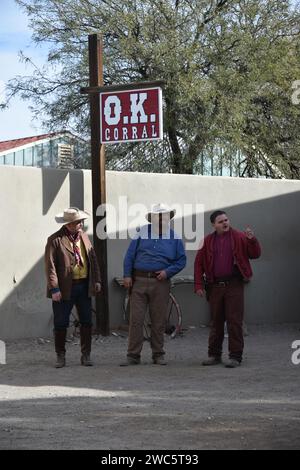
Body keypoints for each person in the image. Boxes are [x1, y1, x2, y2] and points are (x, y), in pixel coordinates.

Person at [121, 203, 186, 366]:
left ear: (168, 217)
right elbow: (129, 255)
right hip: (139, 281)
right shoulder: (141, 234)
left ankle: (158, 354)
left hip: (161, 282)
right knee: (136, 319)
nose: (161, 218)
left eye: (164, 215)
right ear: (152, 218)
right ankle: (133, 355)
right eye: (158, 216)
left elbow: (181, 260)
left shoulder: (175, 237)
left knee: (159, 320)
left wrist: (167, 272)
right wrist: (127, 275)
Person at [194, 210, 261, 368]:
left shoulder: (240, 236)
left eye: (226, 220)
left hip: (234, 285)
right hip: (215, 286)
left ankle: (235, 356)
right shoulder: (207, 241)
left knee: (234, 321)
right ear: (213, 225)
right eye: (220, 221)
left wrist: (252, 240)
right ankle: (214, 355)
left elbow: (255, 254)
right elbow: (198, 264)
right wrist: (198, 285)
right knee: (216, 322)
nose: (225, 223)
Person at [45, 207, 101, 368]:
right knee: (61, 322)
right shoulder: (55, 240)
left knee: (86, 321)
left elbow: (93, 258)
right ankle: (60, 356)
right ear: (69, 224)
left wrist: (96, 279)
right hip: (64, 288)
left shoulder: (84, 237)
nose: (81, 224)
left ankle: (86, 355)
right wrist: (54, 288)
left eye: (81, 221)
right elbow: (50, 267)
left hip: (84, 285)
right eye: (78, 222)